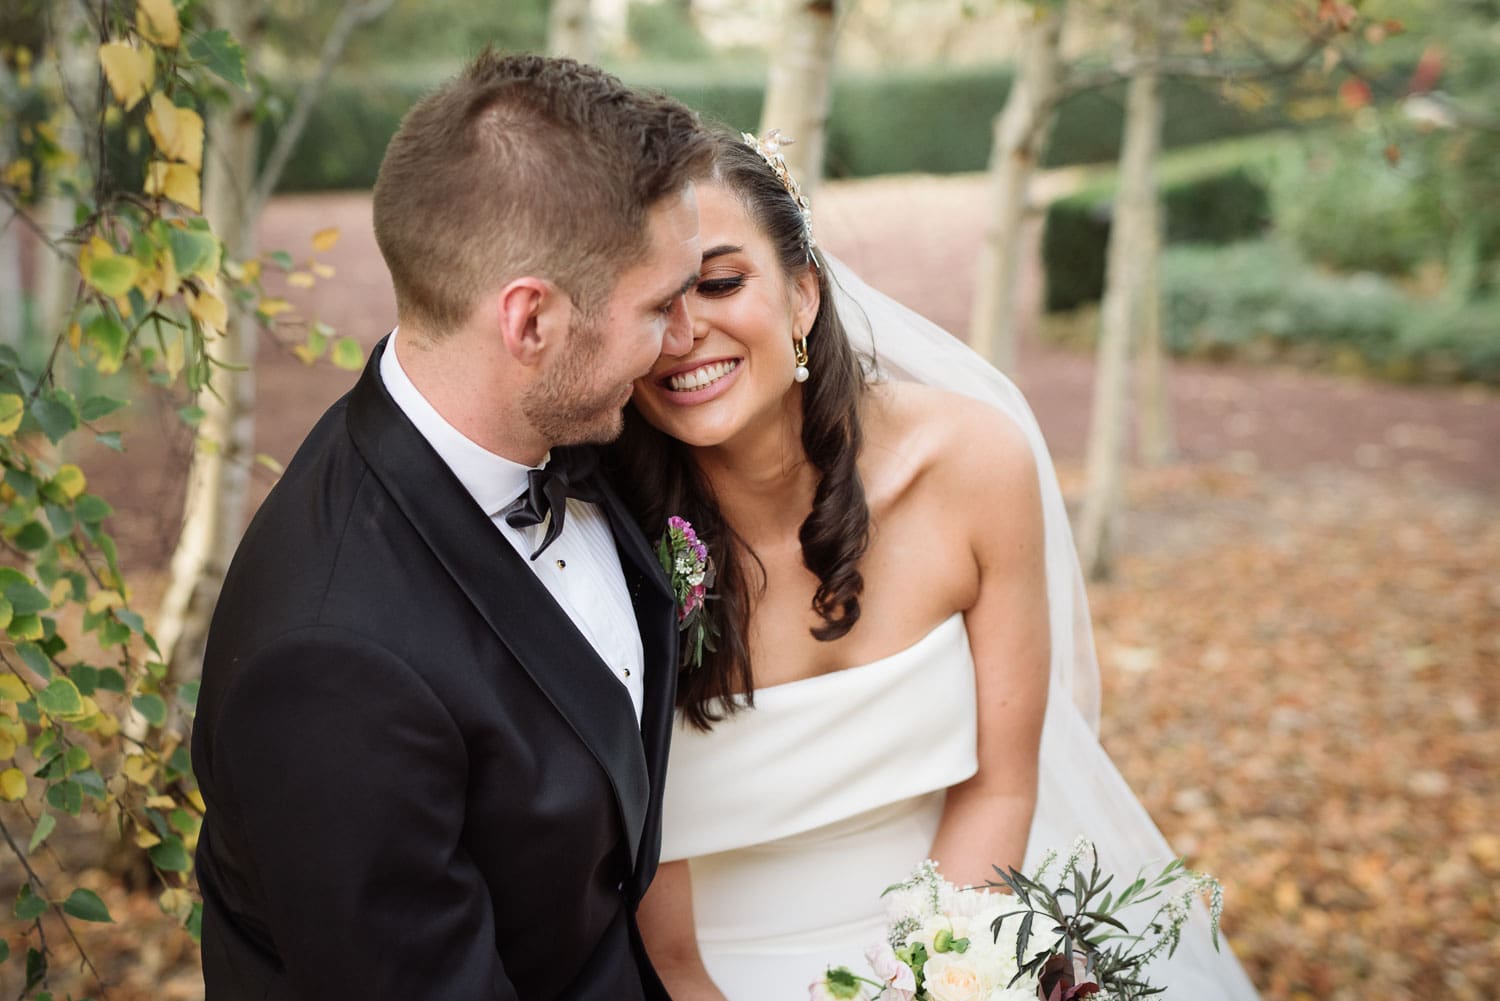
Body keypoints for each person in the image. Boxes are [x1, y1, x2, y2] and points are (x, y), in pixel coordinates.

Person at [606, 132, 1262, 1000]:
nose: (685, 335)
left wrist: (933, 979)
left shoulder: (973, 462)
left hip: (958, 942)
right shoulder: (601, 534)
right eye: (654, 303)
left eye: (722, 283)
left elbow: (1000, 785)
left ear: (803, 294)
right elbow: (663, 942)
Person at [190, 54, 714, 1000]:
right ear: (531, 322)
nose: (682, 339)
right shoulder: (329, 667)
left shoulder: (575, 432)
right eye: (657, 307)